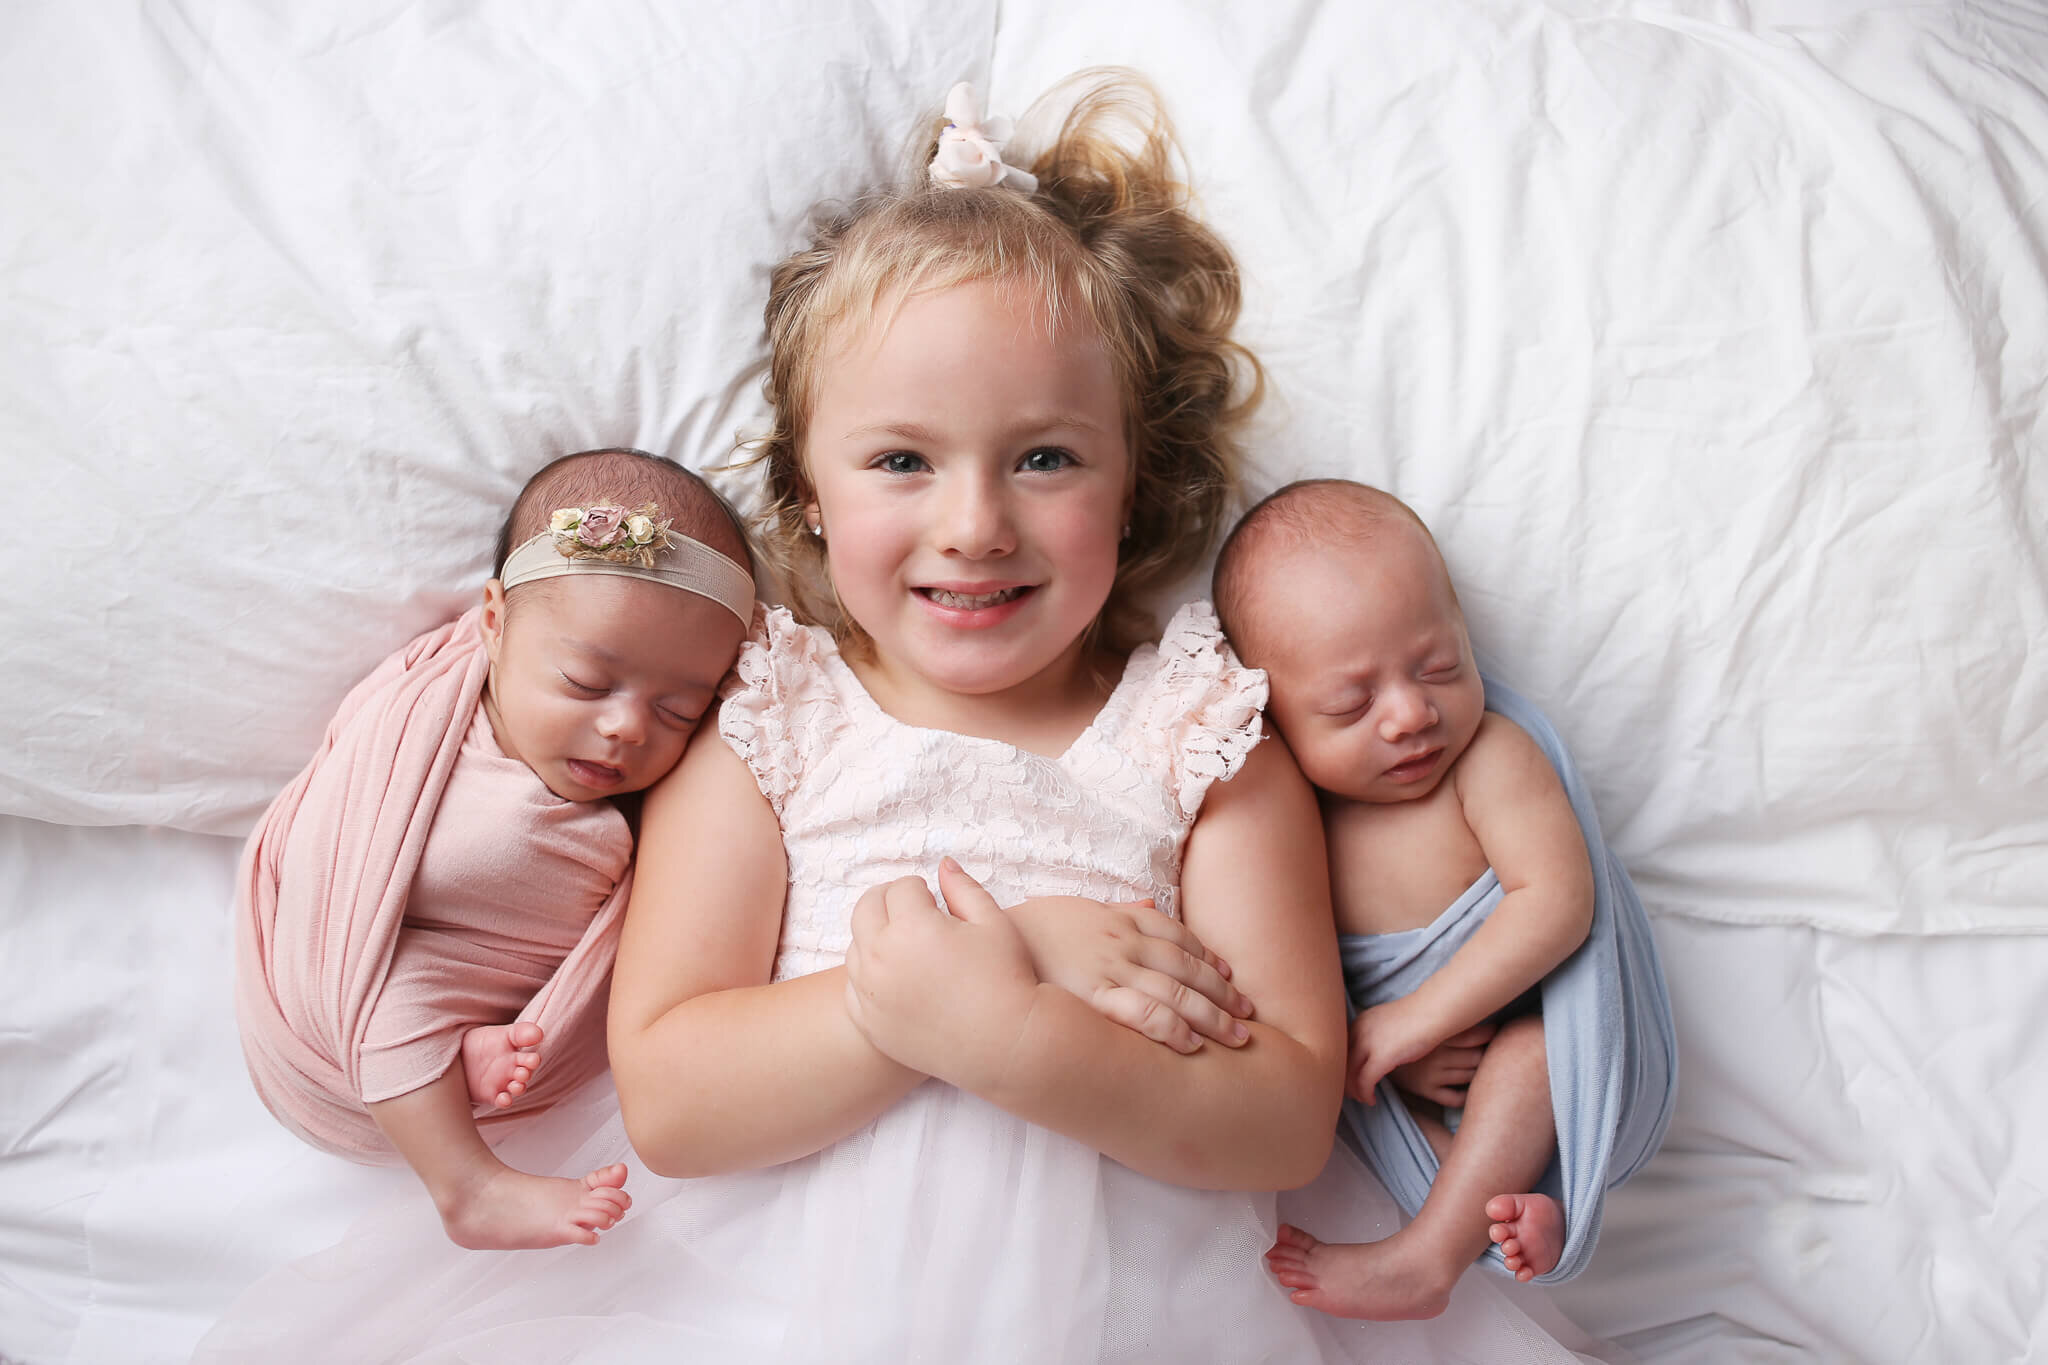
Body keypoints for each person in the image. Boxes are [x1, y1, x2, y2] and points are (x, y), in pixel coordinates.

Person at [200, 77, 1585, 1364]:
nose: (975, 524)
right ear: (807, 495)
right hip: (755, 1291)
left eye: (1045, 458)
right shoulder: (772, 721)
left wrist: (1017, 1043)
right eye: (902, 461)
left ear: (1136, 479)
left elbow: (1286, 1118)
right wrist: (941, 1000)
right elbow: (674, 1096)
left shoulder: (1206, 738)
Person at [233, 447, 754, 1250]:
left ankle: (453, 1054)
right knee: (398, 999)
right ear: (493, 622)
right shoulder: (425, 712)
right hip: (363, 975)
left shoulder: (648, 804)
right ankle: (466, 1184)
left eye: (680, 710)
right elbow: (334, 847)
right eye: (585, 683)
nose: (626, 727)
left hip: (494, 999)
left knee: (429, 1007)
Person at [1214, 478, 1676, 1320]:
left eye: (1439, 666)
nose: (1409, 714)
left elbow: (1558, 902)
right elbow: (1307, 983)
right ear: (1273, 713)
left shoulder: (1488, 758)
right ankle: (1513, 1209)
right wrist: (1391, 1058)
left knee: (1532, 1060)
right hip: (1414, 1094)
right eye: (1351, 704)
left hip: (1542, 1042)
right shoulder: (1294, 819)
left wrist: (1414, 1018)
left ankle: (1430, 1254)